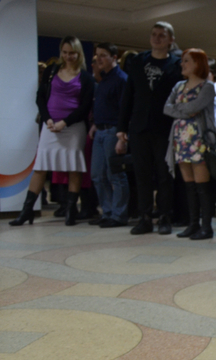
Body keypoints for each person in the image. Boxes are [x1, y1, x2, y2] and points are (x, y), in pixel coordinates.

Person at [11, 36, 94, 227]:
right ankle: (27, 211)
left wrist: (64, 123)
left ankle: (70, 211)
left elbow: (85, 107)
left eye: (71, 53)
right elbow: (40, 97)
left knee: (74, 167)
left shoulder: (86, 78)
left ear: (78, 53)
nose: (67, 56)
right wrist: (48, 119)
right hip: (50, 126)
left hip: (73, 128)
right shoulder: (52, 71)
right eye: (64, 52)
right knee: (40, 167)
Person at [117, 21, 182, 235]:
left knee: (164, 175)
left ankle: (164, 216)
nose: (157, 38)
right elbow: (129, 94)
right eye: (154, 34)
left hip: (165, 127)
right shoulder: (138, 61)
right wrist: (121, 127)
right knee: (142, 175)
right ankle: (144, 217)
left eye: (162, 35)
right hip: (139, 126)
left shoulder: (177, 64)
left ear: (171, 40)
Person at [163, 48, 216, 240]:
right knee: (189, 185)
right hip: (180, 139)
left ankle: (206, 227)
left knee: (202, 185)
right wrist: (185, 111)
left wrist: (179, 109)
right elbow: (166, 108)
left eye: (186, 61)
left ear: (197, 64)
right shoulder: (179, 86)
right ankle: (193, 224)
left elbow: (196, 106)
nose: (182, 64)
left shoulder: (207, 87)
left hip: (198, 139)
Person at [88, 42, 130, 228]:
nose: (99, 59)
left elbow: (125, 110)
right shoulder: (104, 79)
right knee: (97, 174)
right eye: (97, 55)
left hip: (113, 131)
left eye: (103, 55)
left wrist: (122, 137)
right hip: (100, 130)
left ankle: (119, 215)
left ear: (114, 58)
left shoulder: (121, 79)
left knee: (116, 175)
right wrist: (95, 125)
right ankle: (107, 212)